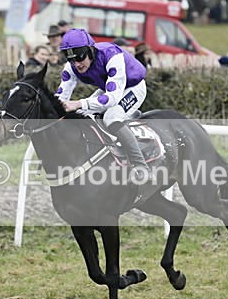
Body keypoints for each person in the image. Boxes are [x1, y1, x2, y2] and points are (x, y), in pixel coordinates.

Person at [55, 28, 155, 199]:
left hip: (133, 87)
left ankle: (141, 166)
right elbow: (60, 98)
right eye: (71, 59)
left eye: (80, 57)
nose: (77, 64)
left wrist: (77, 103)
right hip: (108, 89)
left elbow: (112, 98)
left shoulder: (111, 55)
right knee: (83, 113)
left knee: (111, 117)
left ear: (90, 50)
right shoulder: (71, 67)